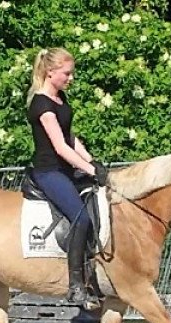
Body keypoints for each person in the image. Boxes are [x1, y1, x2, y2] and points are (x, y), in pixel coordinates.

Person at [26, 47, 107, 309]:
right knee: (80, 218)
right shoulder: (42, 105)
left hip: (67, 168)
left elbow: (70, 137)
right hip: (49, 171)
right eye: (67, 74)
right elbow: (60, 147)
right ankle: (75, 287)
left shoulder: (61, 98)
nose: (71, 78)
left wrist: (92, 161)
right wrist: (91, 170)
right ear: (50, 72)